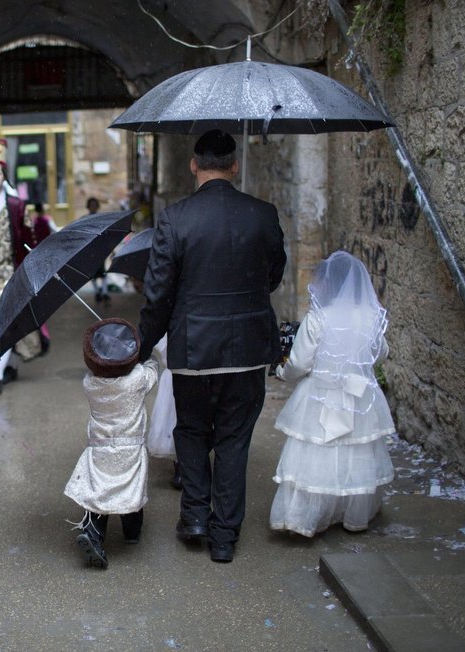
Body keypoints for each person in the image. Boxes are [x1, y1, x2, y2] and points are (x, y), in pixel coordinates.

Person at [136, 129, 286, 563]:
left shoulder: (175, 218)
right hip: (247, 351)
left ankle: (196, 517)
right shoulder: (263, 213)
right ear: (234, 166)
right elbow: (273, 274)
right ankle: (224, 537)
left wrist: (142, 345)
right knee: (235, 440)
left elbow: (159, 292)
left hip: (193, 349)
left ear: (193, 164)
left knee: (193, 431)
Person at [270, 251, 395, 536]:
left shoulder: (318, 318)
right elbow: (381, 353)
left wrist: (281, 372)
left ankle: (307, 517)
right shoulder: (369, 315)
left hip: (321, 394)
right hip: (358, 396)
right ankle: (354, 516)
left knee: (317, 454)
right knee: (356, 451)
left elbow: (300, 363)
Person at [65, 319, 159, 569]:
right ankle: (132, 534)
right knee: (131, 490)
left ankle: (93, 534)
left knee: (98, 493)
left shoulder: (90, 383)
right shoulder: (138, 379)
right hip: (131, 448)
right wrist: (144, 357)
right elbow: (153, 371)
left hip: (100, 447)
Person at [0, 137, 52, 396]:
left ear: (3, 175)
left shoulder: (17, 206)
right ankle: (9, 365)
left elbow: (28, 241)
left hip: (8, 273)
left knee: (3, 323)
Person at [146, 334, 182, 490]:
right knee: (178, 421)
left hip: (175, 372)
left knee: (173, 422)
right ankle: (184, 467)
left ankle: (181, 468)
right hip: (184, 371)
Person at [86, 197, 110, 304]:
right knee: (92, 273)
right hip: (91, 249)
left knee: (103, 271)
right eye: (91, 205)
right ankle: (97, 292)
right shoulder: (86, 220)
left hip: (100, 249)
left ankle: (105, 292)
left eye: (95, 205)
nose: (93, 207)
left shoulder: (101, 219)